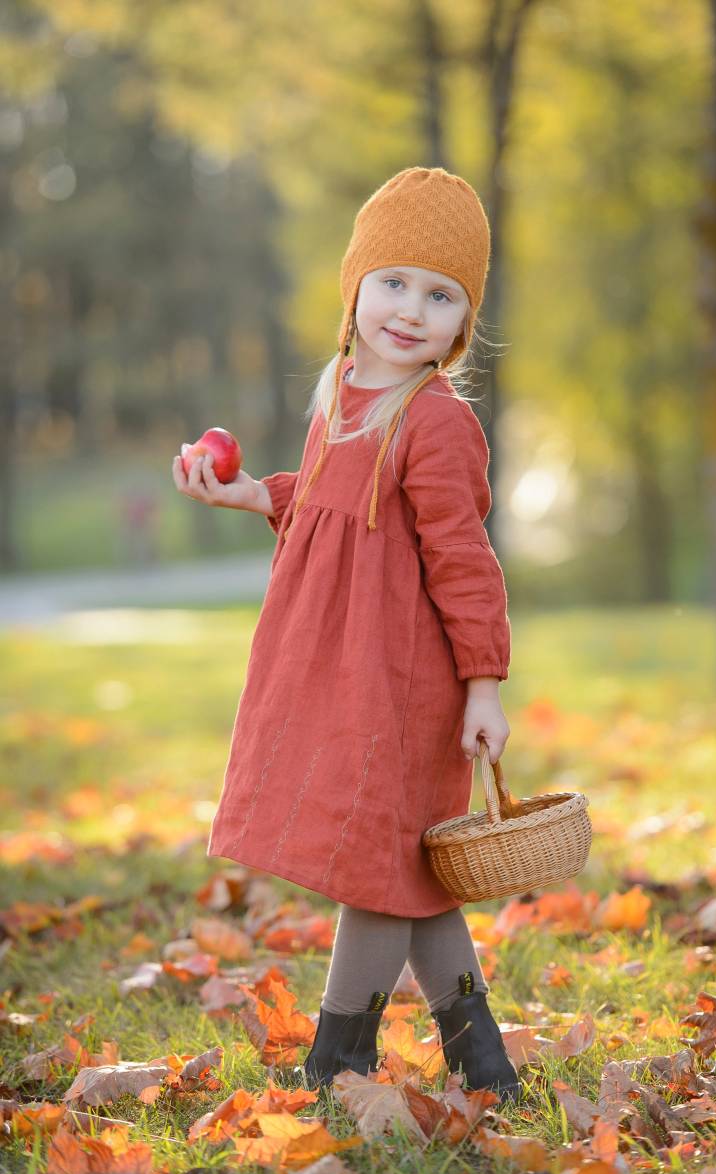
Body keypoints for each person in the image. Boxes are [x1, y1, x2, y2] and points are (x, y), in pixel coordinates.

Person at [171, 166, 520, 1105]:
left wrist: (484, 682)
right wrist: (254, 492)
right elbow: (333, 507)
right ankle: (483, 1063)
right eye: (394, 281)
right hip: (343, 669)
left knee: (378, 866)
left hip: (404, 680)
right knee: (411, 866)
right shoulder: (343, 394)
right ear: (355, 286)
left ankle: (337, 1061)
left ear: (462, 324)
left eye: (440, 295)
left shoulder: (436, 420)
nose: (411, 309)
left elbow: (463, 558)